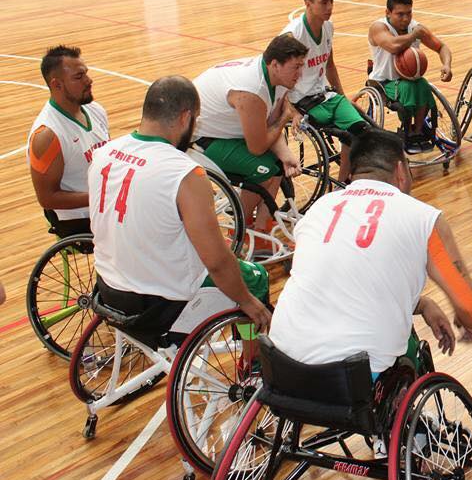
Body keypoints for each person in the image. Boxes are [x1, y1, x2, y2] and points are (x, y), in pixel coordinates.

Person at [269, 129, 472, 375]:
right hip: (349, 379)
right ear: (401, 171)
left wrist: (423, 304)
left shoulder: (319, 208)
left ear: (351, 175)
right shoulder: (423, 218)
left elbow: (343, 279)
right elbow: (471, 308)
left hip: (279, 362)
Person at [88, 77, 272, 349]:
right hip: (160, 304)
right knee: (255, 278)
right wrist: (247, 301)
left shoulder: (105, 153)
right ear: (185, 118)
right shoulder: (184, 173)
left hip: (107, 288)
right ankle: (253, 364)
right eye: (196, 120)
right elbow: (218, 261)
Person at [192, 34, 305, 238]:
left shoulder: (276, 77)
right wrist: (285, 118)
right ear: (275, 64)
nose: (301, 73)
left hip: (225, 131)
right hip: (199, 138)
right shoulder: (252, 90)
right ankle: (240, 230)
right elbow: (258, 146)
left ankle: (261, 229)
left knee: (278, 166)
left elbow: (270, 125)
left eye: (301, 66)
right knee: (264, 170)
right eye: (295, 67)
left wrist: (286, 154)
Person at [282, 0, 368, 182]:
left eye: (332, 1)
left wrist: (343, 97)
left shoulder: (328, 27)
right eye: (324, 2)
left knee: (362, 131)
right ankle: (343, 182)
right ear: (308, 4)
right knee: (348, 135)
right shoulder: (292, 36)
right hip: (302, 101)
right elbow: (276, 78)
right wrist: (291, 111)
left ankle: (343, 181)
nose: (330, 7)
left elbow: (330, 65)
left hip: (326, 95)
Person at [28, 46, 110, 239]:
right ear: (57, 85)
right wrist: (100, 197)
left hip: (103, 204)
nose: (89, 81)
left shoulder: (95, 110)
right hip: (76, 217)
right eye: (79, 77)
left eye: (86, 74)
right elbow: (47, 198)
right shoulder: (46, 136)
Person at [368, 0, 453, 154]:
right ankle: (406, 131)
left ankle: (418, 130)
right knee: (407, 87)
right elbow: (393, 46)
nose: (406, 19)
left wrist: (447, 65)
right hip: (384, 82)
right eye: (400, 14)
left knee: (422, 84)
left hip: (411, 80)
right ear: (388, 12)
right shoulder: (378, 27)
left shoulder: (415, 28)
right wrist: (414, 35)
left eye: (409, 13)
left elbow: (442, 47)